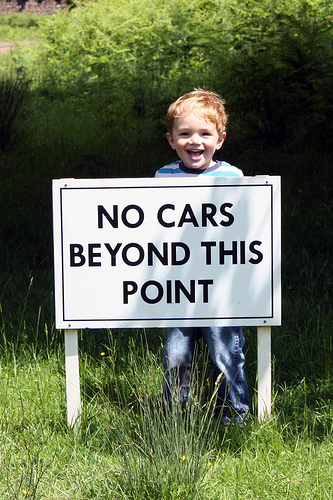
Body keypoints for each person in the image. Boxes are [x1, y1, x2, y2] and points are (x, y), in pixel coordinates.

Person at [155, 89, 249, 424]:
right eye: (185, 134)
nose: (195, 141)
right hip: (176, 287)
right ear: (171, 139)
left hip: (222, 289)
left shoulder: (233, 178)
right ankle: (175, 417)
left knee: (225, 351)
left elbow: (244, 230)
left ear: (220, 139)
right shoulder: (162, 178)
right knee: (176, 353)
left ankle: (233, 416)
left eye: (205, 134)